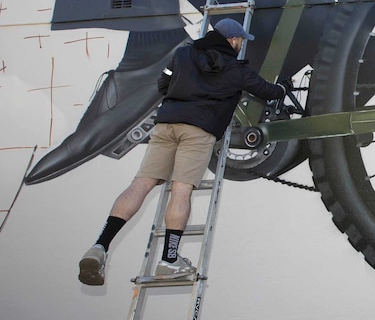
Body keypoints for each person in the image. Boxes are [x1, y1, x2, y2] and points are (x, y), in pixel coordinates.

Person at [77, 18, 287, 286]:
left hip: (166, 126)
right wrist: (283, 89)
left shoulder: (183, 54)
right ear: (233, 40)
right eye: (240, 40)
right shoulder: (236, 69)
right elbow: (267, 91)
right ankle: (169, 259)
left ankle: (99, 246)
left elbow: (163, 83)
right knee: (182, 191)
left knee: (141, 184)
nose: (240, 44)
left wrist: (179, 96)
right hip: (198, 131)